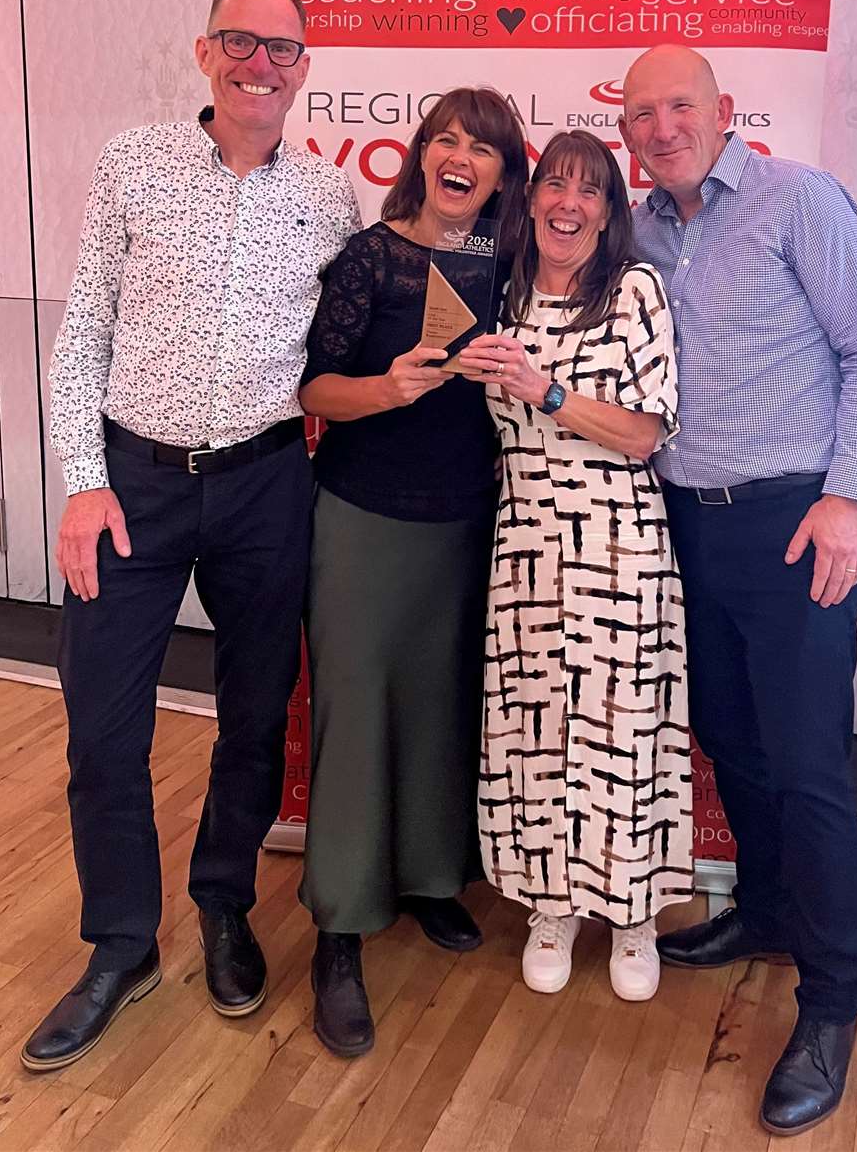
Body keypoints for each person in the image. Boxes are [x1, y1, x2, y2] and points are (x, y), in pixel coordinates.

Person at [22, 0, 360, 1072]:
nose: (262, 65)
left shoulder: (329, 199)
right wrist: (82, 476)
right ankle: (122, 943)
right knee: (102, 732)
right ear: (206, 52)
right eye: (241, 44)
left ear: (305, 69)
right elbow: (84, 334)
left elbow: (344, 364)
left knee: (256, 717)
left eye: (282, 50)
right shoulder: (133, 165)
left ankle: (223, 903)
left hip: (269, 485)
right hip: (134, 482)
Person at [619, 45, 857, 1135]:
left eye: (678, 105)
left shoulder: (798, 201)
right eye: (640, 113)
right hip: (689, 523)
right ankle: (771, 914)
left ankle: (833, 1002)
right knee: (731, 741)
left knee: (808, 767)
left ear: (724, 111)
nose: (659, 126)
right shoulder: (640, 231)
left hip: (798, 524)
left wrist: (849, 498)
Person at [296, 87, 529, 1058]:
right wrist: (386, 389)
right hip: (363, 520)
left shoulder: (516, 272)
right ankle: (341, 929)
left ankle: (434, 881)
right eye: (446, 139)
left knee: (443, 708)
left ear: (504, 175)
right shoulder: (373, 258)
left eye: (482, 146)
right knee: (355, 714)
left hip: (468, 525)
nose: (460, 155)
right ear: (420, 154)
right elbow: (314, 387)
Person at [462, 130, 692, 1003]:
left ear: (609, 210)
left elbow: (644, 433)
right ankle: (548, 903)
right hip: (523, 541)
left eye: (588, 191)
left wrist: (548, 392)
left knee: (622, 726)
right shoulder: (501, 292)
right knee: (536, 728)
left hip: (617, 542)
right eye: (553, 185)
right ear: (527, 200)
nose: (568, 203)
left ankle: (631, 916)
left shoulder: (633, 291)